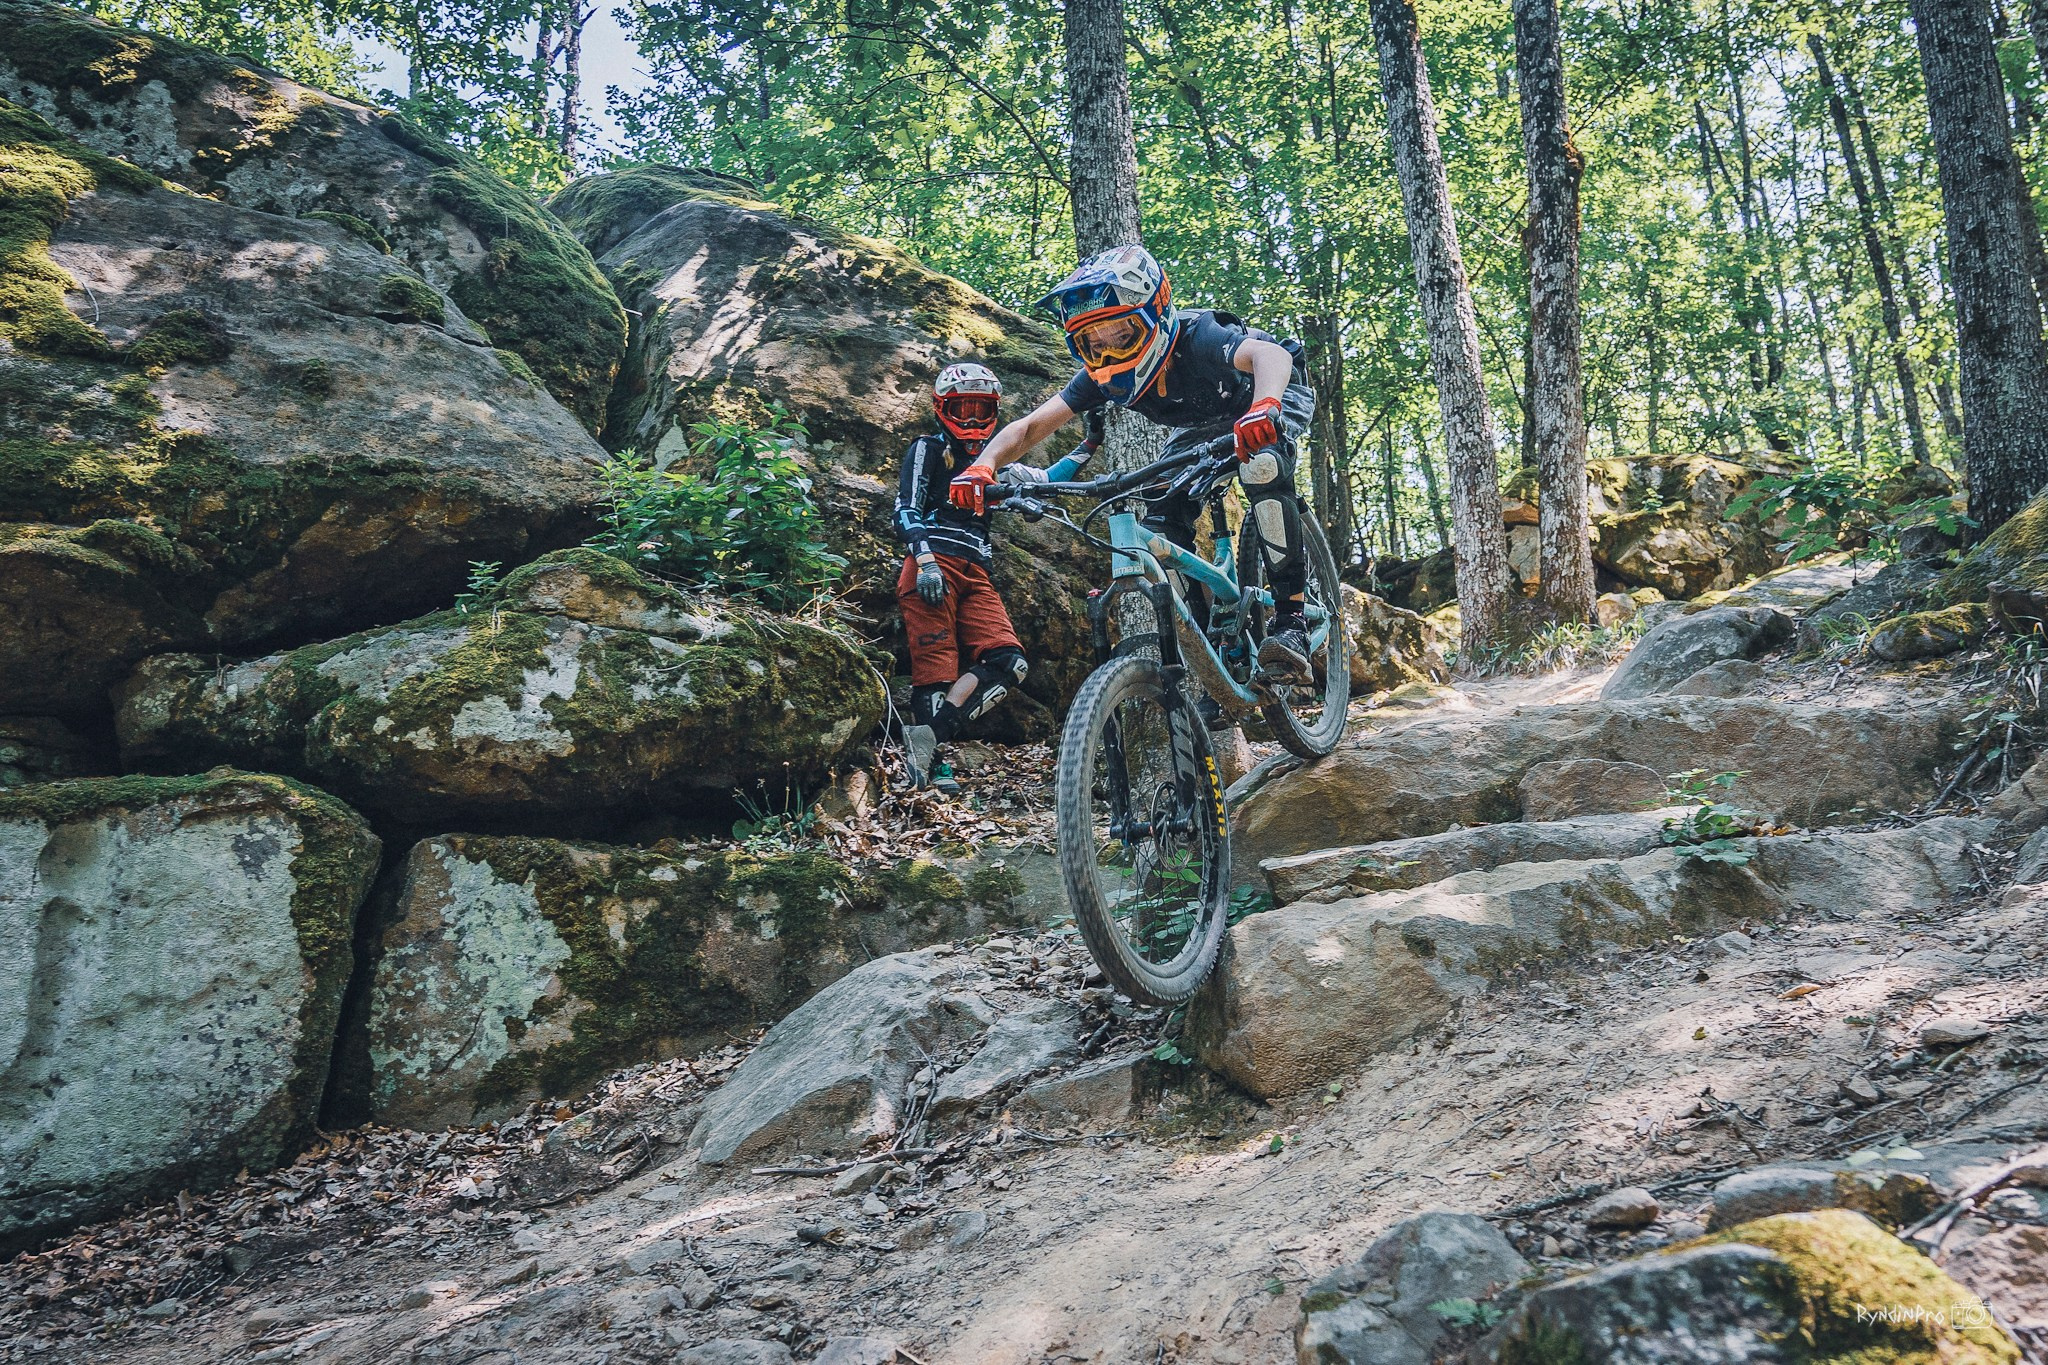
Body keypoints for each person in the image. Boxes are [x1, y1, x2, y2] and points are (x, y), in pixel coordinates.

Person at [947, 244, 1317, 684]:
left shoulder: (1197, 338)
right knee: (1160, 524)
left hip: (1268, 393)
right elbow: (1029, 428)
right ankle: (1215, 660)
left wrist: (1266, 406)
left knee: (1263, 465)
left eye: (1122, 335)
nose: (1109, 355)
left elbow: (1270, 357)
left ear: (1156, 317)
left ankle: (1292, 620)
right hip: (1202, 426)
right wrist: (981, 466)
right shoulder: (1097, 377)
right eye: (1092, 343)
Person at [894, 362, 1098, 791]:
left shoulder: (993, 463)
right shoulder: (928, 449)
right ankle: (933, 767)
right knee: (936, 671)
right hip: (933, 562)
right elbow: (905, 508)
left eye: (981, 410)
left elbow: (1044, 481)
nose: (970, 419)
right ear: (941, 408)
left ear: (995, 413)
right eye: (961, 408)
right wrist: (926, 559)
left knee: (1009, 662)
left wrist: (1090, 442)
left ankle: (930, 737)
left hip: (977, 570)